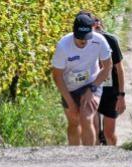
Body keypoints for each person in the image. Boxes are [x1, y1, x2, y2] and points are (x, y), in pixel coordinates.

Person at [51, 13, 112, 146]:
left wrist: (93, 88)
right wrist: (70, 103)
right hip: (69, 86)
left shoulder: (100, 41)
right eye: (79, 38)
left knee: (86, 118)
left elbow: (107, 67)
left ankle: (88, 158)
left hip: (92, 82)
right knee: (73, 122)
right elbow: (57, 76)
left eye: (86, 37)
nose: (83, 41)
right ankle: (74, 156)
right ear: (73, 33)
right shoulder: (63, 46)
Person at [92, 16, 126, 146]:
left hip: (110, 92)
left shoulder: (111, 40)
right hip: (93, 91)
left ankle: (114, 158)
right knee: (93, 133)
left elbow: (120, 69)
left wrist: (121, 95)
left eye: (98, 26)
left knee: (109, 134)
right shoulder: (84, 42)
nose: (97, 28)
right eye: (94, 26)